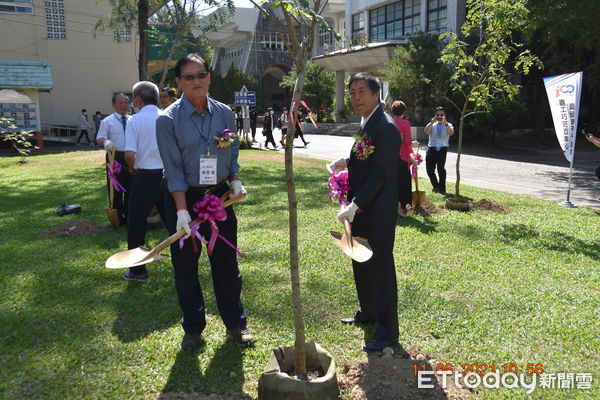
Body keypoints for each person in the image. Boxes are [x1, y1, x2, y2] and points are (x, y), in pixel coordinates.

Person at [156, 53, 252, 351]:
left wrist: (234, 177)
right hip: (186, 197)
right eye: (189, 77)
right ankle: (193, 329)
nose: (196, 81)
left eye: (201, 75)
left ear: (209, 77)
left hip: (220, 197)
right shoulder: (167, 120)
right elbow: (172, 169)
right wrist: (182, 211)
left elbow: (231, 148)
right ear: (179, 82)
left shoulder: (224, 112)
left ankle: (236, 324)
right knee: (185, 268)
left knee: (225, 263)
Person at [328, 72, 400, 352]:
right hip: (360, 211)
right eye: (352, 92)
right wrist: (345, 162)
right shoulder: (367, 123)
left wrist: (354, 205)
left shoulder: (386, 127)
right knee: (360, 263)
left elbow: (381, 174)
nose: (356, 97)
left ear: (376, 94)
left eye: (361, 92)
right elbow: (365, 159)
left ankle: (387, 332)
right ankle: (368, 312)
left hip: (376, 213)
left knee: (380, 271)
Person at [123, 81, 166, 282]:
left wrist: (132, 169)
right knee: (174, 223)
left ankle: (138, 271)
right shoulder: (167, 117)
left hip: (145, 176)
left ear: (138, 99)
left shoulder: (134, 120)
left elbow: (130, 154)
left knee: (136, 222)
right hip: (168, 177)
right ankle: (185, 266)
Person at [96, 94, 132, 225]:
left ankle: (129, 216)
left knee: (130, 186)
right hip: (114, 157)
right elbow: (99, 138)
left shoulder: (133, 120)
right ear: (114, 105)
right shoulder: (108, 121)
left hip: (130, 156)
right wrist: (106, 142)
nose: (123, 105)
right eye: (120, 102)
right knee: (115, 188)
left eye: (126, 103)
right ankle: (118, 217)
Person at [424, 106, 454, 194]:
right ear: (435, 115)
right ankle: (435, 185)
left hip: (442, 149)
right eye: (438, 115)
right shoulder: (432, 124)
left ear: (445, 115)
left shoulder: (448, 124)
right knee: (429, 169)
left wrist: (445, 124)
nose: (440, 116)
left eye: (442, 115)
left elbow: (451, 133)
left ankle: (442, 188)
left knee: (440, 168)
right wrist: (431, 122)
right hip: (432, 148)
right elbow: (426, 131)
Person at [391, 100, 414, 216]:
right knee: (402, 182)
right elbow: (408, 141)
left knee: (392, 182)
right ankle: (400, 208)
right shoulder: (405, 123)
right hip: (402, 156)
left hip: (390, 156)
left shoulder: (389, 121)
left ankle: (393, 206)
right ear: (404, 112)